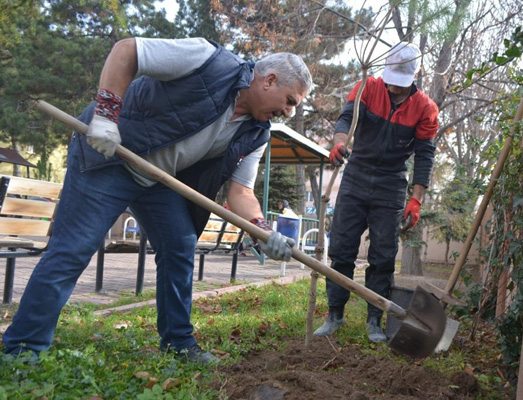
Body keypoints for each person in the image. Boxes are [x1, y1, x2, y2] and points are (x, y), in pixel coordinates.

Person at [3, 37, 312, 364]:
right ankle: (23, 349)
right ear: (270, 80)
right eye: (290, 101)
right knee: (74, 247)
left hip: (156, 176)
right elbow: (127, 51)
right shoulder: (209, 61)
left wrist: (261, 230)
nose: (289, 113)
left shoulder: (257, 133)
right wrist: (107, 116)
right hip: (110, 155)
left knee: (180, 244)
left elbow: (242, 192)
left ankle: (178, 343)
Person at [314, 42, 438, 342]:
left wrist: (416, 199)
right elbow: (345, 119)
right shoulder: (367, 87)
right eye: (391, 81)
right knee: (342, 249)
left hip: (391, 184)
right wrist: (339, 142)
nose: (394, 88)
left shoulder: (425, 108)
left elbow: (425, 154)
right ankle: (335, 314)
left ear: (415, 75)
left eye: (401, 84)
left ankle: (374, 320)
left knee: (383, 256)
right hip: (356, 176)